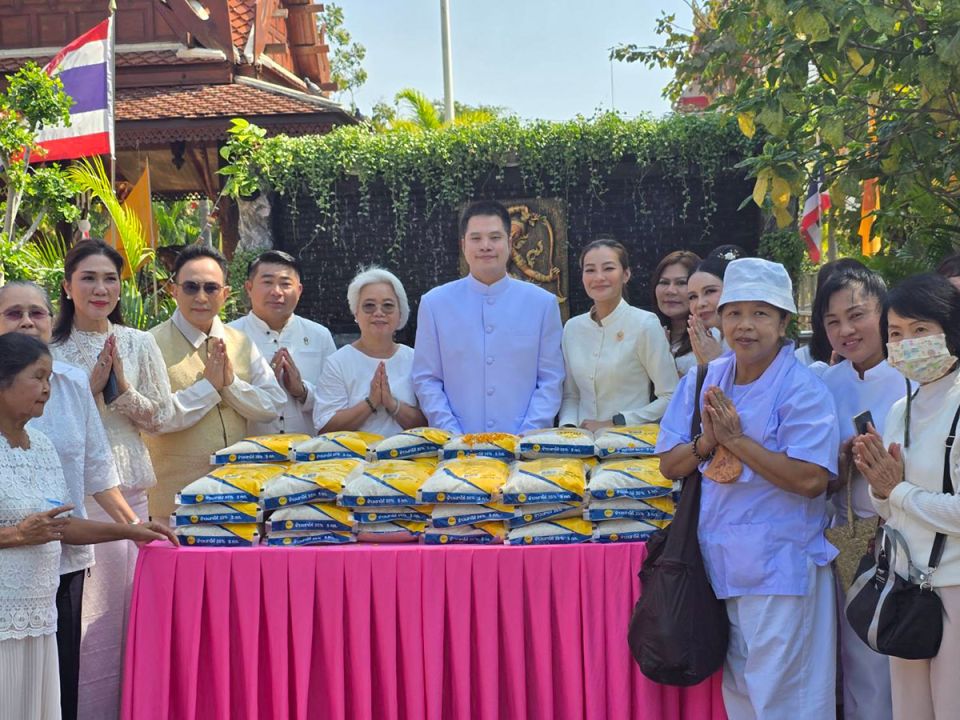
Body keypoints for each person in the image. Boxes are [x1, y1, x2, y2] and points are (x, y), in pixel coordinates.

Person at [656, 258, 840, 719]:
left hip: (781, 569)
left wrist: (738, 442)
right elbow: (669, 464)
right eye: (735, 312)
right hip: (721, 565)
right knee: (741, 697)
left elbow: (810, 479)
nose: (745, 326)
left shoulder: (802, 390)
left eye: (761, 314)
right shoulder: (706, 379)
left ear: (783, 324)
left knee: (785, 702)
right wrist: (708, 442)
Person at [0, 332, 176, 720]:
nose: (48, 389)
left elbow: (63, 527)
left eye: (50, 378)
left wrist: (131, 530)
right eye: (37, 377)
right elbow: (28, 532)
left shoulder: (41, 446)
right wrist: (14, 536)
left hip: (39, 616)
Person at [49, 239, 176, 719]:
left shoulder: (139, 342)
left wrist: (120, 391)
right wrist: (91, 389)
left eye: (109, 279)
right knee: (79, 618)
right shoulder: (50, 347)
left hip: (129, 493)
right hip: (73, 498)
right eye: (89, 278)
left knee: (123, 615)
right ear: (67, 287)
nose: (100, 289)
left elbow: (161, 417)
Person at [855, 273, 960, 720]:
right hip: (907, 585)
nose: (906, 343)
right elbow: (890, 507)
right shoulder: (903, 407)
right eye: (895, 333)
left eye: (920, 330)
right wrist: (882, 487)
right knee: (911, 712)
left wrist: (897, 489)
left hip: (955, 586)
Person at [817, 266, 904, 720]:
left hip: (911, 538)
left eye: (856, 315)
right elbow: (813, 469)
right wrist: (844, 457)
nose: (846, 331)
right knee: (859, 658)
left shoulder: (914, 378)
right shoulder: (824, 385)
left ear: (883, 311)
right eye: (832, 322)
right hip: (850, 538)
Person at [144, 244, 286, 522]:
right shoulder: (149, 344)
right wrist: (208, 389)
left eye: (210, 288)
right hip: (174, 505)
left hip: (238, 500)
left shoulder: (242, 343)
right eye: (190, 287)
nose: (200, 297)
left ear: (225, 294)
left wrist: (230, 386)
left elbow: (273, 404)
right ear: (173, 290)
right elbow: (155, 417)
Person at [413, 200, 564, 434]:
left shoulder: (542, 304)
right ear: (463, 245)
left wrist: (527, 435)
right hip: (457, 446)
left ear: (510, 242)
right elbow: (427, 379)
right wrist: (451, 434)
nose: (485, 246)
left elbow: (550, 379)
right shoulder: (435, 304)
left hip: (523, 446)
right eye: (476, 238)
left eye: (495, 237)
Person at [558, 238, 678, 430]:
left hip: (628, 443)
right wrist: (569, 429)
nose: (598, 277)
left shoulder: (644, 324)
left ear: (626, 274)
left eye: (608, 268)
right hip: (579, 448)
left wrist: (617, 421)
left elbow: (671, 395)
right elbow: (571, 395)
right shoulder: (572, 328)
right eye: (590, 270)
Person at [228, 250, 336, 435]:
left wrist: (302, 392)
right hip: (249, 456)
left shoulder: (319, 335)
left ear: (299, 290)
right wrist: (264, 382)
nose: (276, 292)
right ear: (249, 287)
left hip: (308, 454)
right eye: (267, 282)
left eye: (285, 284)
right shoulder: (228, 336)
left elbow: (335, 401)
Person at [313, 267, 426, 435]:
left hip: (409, 459)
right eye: (369, 306)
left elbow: (431, 423)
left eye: (388, 306)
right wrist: (370, 402)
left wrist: (392, 404)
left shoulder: (416, 359)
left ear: (400, 314)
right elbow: (325, 428)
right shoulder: (338, 362)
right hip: (352, 460)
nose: (379, 313)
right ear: (356, 313)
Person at [686, 245, 744, 364]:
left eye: (710, 291)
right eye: (693, 297)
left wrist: (715, 362)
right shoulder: (710, 340)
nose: (700, 304)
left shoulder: (751, 340)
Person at [651, 250, 701, 377]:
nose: (670, 291)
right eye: (664, 282)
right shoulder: (647, 330)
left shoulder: (713, 336)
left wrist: (665, 358)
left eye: (681, 283)